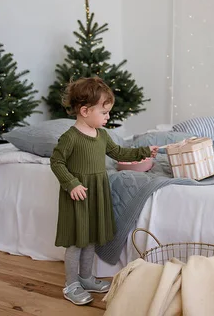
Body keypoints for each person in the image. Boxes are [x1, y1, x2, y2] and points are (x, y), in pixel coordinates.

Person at [50, 76, 159, 305]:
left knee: (90, 239)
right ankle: (71, 284)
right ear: (85, 110)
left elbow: (119, 153)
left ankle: (87, 277)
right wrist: (71, 183)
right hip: (77, 195)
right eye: (104, 112)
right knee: (76, 241)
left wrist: (144, 152)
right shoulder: (70, 137)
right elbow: (57, 163)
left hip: (96, 192)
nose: (108, 117)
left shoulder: (102, 135)